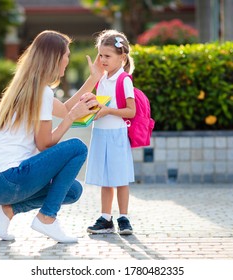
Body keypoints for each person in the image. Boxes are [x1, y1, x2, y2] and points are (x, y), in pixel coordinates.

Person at [0, 30, 103, 243]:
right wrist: (72, 118)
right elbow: (45, 144)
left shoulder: (27, 87)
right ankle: (47, 218)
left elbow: (64, 109)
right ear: (54, 58)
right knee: (77, 148)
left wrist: (93, 79)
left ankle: (7, 211)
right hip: (7, 180)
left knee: (72, 191)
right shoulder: (41, 92)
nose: (67, 60)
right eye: (66, 54)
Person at [85, 30, 136, 235]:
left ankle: (124, 218)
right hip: (100, 134)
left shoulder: (124, 80)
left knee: (120, 178)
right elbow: (100, 104)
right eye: (101, 55)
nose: (102, 60)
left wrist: (107, 111)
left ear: (122, 57)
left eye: (107, 56)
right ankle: (106, 218)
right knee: (106, 179)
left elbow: (131, 112)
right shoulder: (101, 79)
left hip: (116, 135)